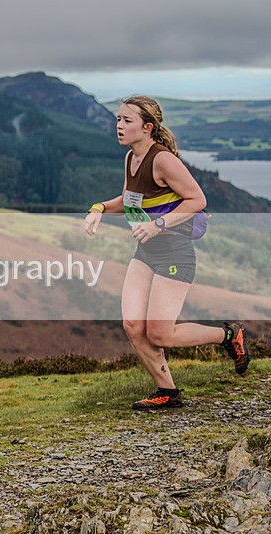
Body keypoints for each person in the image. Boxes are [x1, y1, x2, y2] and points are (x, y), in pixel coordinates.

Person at [83, 95, 250, 410]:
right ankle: (168, 392)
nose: (118, 125)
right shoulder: (131, 158)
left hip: (174, 252)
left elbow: (197, 199)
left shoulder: (162, 160)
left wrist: (158, 223)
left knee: (160, 334)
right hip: (146, 251)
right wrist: (99, 209)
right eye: (118, 119)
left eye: (126, 121)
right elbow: (131, 199)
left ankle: (229, 335)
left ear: (147, 128)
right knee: (133, 325)